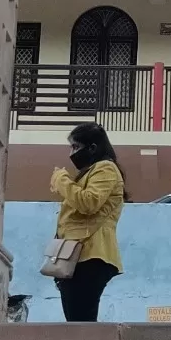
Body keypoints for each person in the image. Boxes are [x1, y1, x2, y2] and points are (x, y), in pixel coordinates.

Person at [49, 122, 126, 322]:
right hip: (77, 255)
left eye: (76, 147)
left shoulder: (106, 169)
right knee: (77, 320)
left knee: (81, 322)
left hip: (91, 255)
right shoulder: (92, 171)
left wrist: (62, 180)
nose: (71, 153)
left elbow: (89, 202)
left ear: (92, 147)